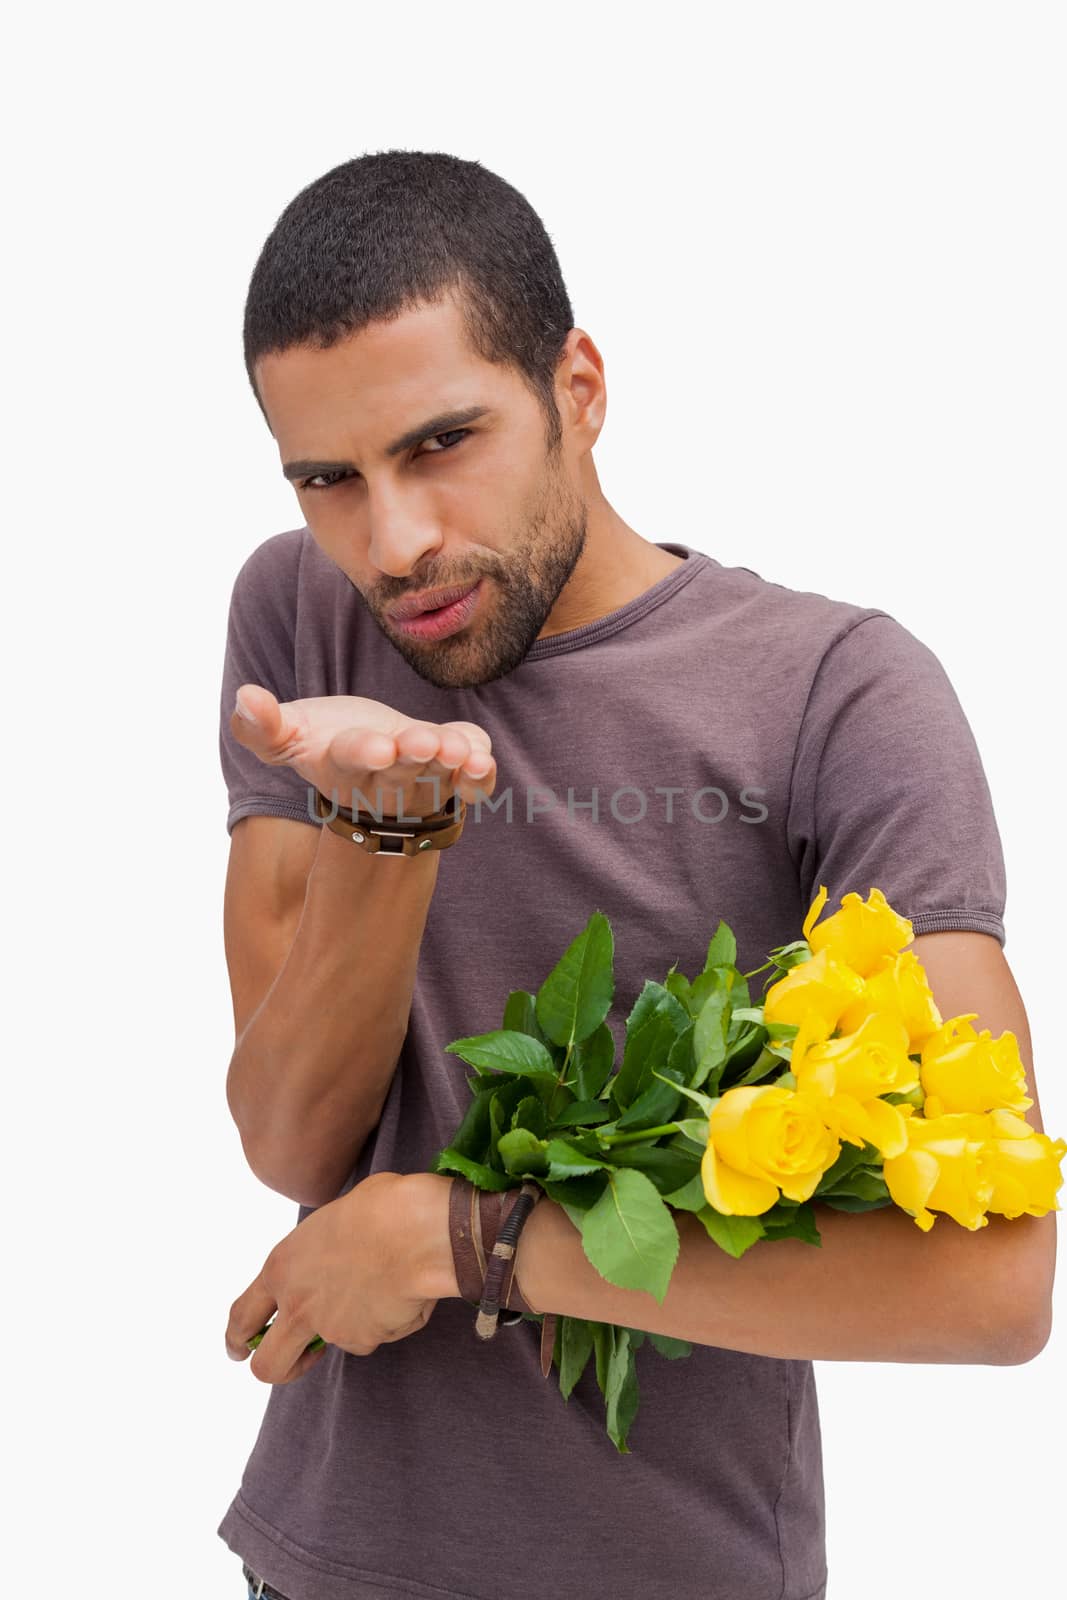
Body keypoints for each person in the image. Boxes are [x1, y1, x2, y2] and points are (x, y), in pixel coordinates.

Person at [216, 149, 1055, 1600]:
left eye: (441, 444)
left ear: (581, 389)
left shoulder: (836, 694)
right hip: (320, 1563)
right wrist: (393, 827)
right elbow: (294, 1141)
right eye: (327, 478)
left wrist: (463, 1243)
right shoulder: (303, 613)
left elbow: (989, 1281)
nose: (394, 542)